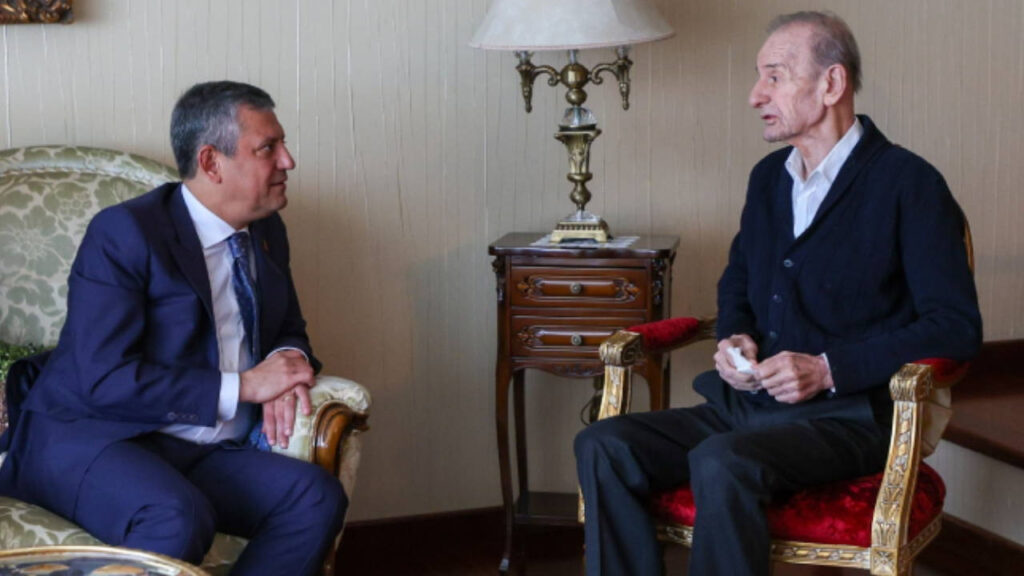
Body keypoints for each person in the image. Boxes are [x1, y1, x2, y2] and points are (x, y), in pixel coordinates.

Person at [574, 11, 981, 576]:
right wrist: (735, 336)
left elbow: (955, 326)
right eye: (758, 77)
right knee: (603, 444)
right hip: (747, 408)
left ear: (831, 83)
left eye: (774, 76)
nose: (755, 95)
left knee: (721, 461)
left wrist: (827, 368)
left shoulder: (910, 185)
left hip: (848, 419)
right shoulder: (768, 178)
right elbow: (738, 281)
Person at [0, 81, 346, 575]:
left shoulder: (267, 228)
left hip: (196, 444)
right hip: (94, 437)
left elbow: (289, 326)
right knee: (177, 515)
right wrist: (246, 386)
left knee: (313, 497)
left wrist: (285, 362)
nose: (287, 161)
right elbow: (102, 378)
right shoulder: (125, 234)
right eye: (267, 148)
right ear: (211, 162)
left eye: (282, 145)